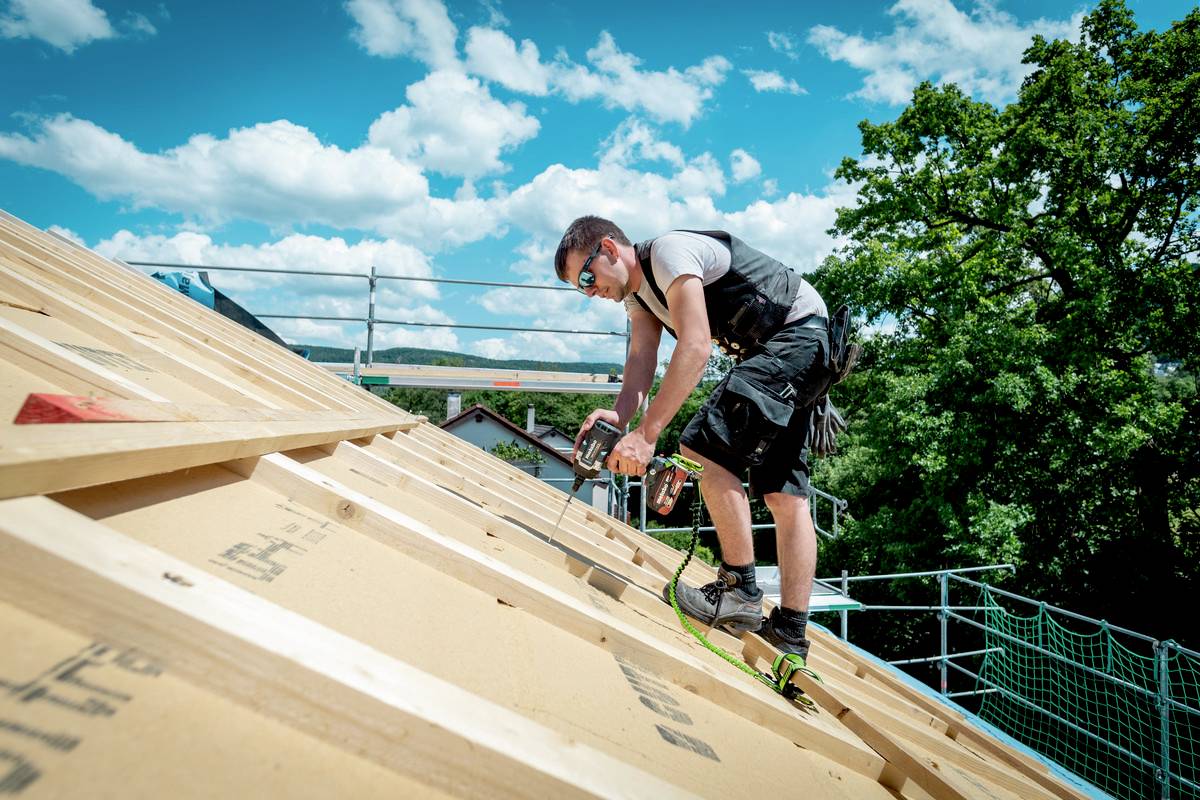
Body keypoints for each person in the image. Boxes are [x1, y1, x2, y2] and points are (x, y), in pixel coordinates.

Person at [555, 215, 839, 661]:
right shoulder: (637, 297)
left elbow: (696, 346)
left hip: (794, 337)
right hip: (802, 345)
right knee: (785, 494)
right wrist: (621, 415)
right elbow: (641, 361)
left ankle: (739, 591)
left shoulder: (668, 254)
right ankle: (789, 630)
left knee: (702, 446)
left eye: (587, 276)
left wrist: (648, 436)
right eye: (580, 287)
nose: (589, 291)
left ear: (610, 248)